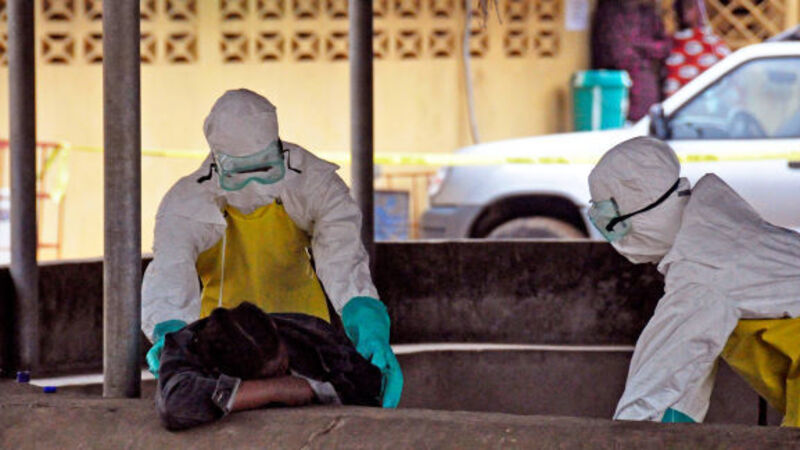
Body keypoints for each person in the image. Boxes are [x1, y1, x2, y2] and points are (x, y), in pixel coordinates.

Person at [142, 88, 403, 408]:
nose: (254, 184)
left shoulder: (316, 184)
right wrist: (170, 333)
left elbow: (343, 259)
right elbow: (170, 272)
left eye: (264, 168)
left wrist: (367, 322)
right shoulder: (185, 204)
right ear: (218, 162)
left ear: (277, 149)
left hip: (303, 336)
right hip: (229, 343)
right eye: (241, 173)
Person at [587, 136, 800, 425]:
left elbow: (656, 384)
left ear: (646, 214)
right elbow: (686, 373)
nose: (614, 238)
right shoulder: (720, 235)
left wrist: (623, 438)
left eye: (613, 223)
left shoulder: (703, 272)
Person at [157, 302, 382, 430]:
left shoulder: (311, 334)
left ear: (274, 327)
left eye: (283, 362)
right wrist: (277, 389)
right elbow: (176, 405)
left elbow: (366, 388)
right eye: (271, 374)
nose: (283, 371)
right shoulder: (189, 346)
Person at [591, 0, 672, 121]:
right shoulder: (610, 12)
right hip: (616, 87)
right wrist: (642, 51)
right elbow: (617, 52)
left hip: (646, 86)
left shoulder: (647, 13)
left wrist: (640, 45)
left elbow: (665, 47)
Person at [663, 0, 730, 97]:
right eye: (681, 8)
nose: (684, 12)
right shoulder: (674, 45)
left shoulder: (710, 42)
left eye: (690, 7)